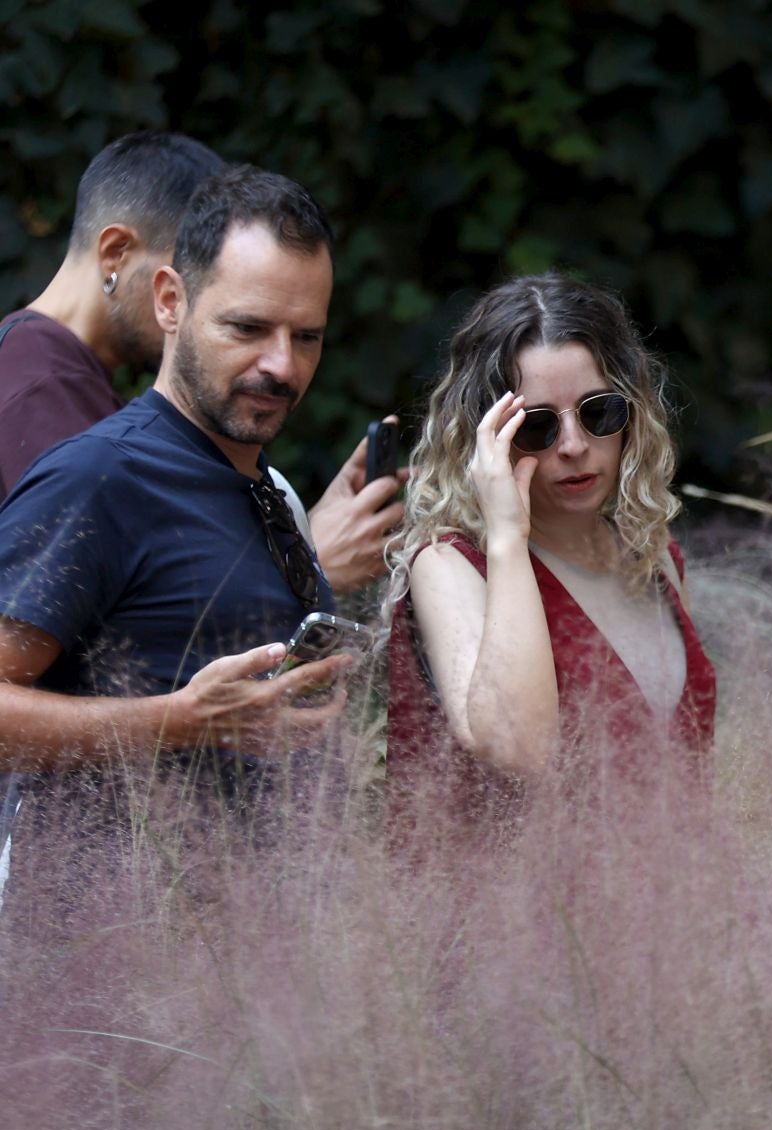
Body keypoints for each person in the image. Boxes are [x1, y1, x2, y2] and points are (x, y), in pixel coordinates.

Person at [0, 165, 354, 897]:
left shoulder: (263, 489)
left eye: (307, 335)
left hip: (251, 980)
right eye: (248, 328)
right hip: (102, 980)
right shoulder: (99, 477)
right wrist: (177, 720)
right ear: (171, 301)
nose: (282, 365)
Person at [0, 131, 400, 593]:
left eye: (307, 336)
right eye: (188, 264)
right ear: (116, 255)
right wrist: (315, 567)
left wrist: (297, 538)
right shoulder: (40, 384)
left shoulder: (57, 372)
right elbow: (124, 614)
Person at [384, 275, 714, 804]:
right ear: (487, 438)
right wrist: (508, 538)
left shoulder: (657, 558)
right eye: (537, 426)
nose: (574, 445)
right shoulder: (450, 565)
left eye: (597, 411)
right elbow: (520, 747)